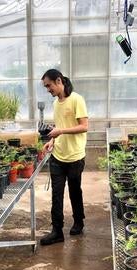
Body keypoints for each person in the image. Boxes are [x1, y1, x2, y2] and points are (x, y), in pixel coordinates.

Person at [39, 69, 89, 246]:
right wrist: (52, 140)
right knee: (57, 195)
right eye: (46, 87)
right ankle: (57, 231)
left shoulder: (77, 99)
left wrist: (61, 131)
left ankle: (78, 221)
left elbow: (84, 126)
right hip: (58, 156)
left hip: (75, 156)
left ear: (59, 81)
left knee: (75, 191)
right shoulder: (55, 104)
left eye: (49, 85)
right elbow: (60, 126)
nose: (48, 89)